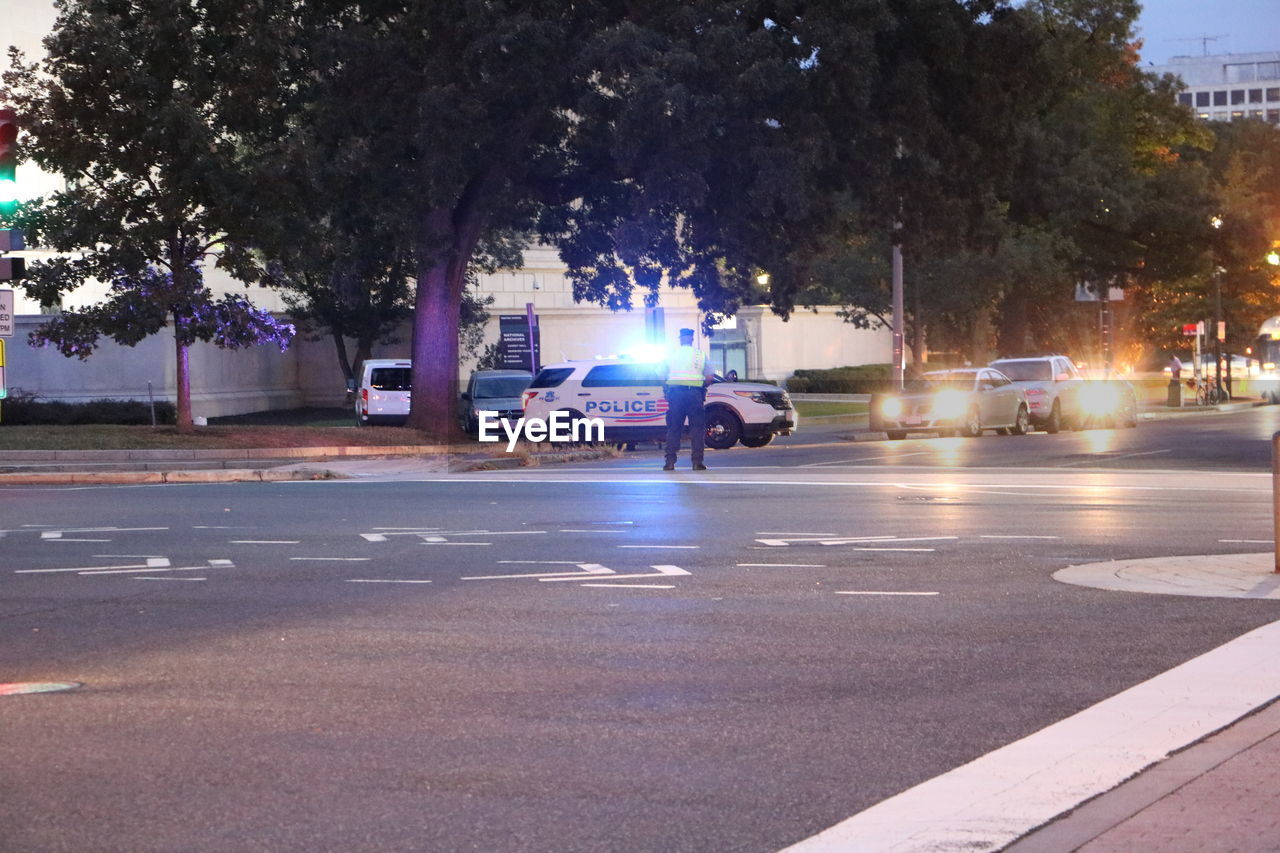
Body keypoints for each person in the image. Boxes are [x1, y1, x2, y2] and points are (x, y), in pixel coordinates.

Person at [662, 327, 715, 471]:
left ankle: (670, 462)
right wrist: (702, 386)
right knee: (697, 429)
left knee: (674, 428)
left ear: (680, 339)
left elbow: (661, 374)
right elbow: (710, 377)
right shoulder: (700, 355)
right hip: (694, 395)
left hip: (676, 395)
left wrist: (666, 390)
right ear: (691, 339)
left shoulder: (671, 355)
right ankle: (697, 462)